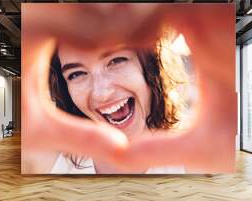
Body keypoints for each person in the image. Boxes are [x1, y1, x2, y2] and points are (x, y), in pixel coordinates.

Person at [48, 30, 191, 174]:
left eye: (116, 61)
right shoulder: (50, 161)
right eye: (76, 74)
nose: (101, 94)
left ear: (151, 64)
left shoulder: (198, 162)